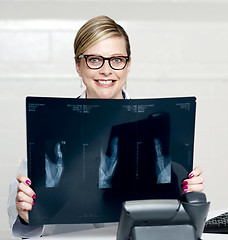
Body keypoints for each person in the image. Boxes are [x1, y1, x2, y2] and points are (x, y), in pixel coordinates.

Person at [8, 15, 205, 239]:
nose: (106, 70)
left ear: (128, 65)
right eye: (94, 59)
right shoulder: (50, 129)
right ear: (78, 66)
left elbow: (175, 219)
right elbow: (23, 224)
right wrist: (25, 213)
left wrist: (187, 191)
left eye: (117, 59)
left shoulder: (154, 126)